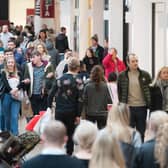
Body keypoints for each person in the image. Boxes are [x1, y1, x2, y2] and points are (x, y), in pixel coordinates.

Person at [47, 57, 84, 155]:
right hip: (72, 112)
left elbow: (51, 94)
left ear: (67, 66)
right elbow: (80, 99)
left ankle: (57, 152)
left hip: (59, 111)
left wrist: (49, 107)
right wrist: (78, 115)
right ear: (78, 68)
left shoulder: (59, 79)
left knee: (58, 134)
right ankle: (69, 154)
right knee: (70, 134)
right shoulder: (79, 81)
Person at [118, 53, 152, 140]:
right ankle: (131, 151)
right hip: (129, 108)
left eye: (136, 61)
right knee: (129, 133)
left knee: (141, 132)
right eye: (133, 61)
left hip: (142, 107)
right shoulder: (122, 76)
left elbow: (150, 90)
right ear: (128, 63)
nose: (135, 63)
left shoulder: (145, 75)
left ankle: (140, 151)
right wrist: (122, 106)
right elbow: (120, 92)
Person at [23, 50, 55, 115]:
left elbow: (53, 80)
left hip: (44, 94)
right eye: (31, 58)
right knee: (36, 115)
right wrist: (27, 80)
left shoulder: (48, 66)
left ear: (39, 56)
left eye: (33, 57)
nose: (32, 59)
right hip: (33, 94)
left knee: (43, 115)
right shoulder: (29, 66)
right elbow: (26, 77)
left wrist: (49, 77)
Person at [1, 56, 24, 135]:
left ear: (14, 63)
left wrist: (16, 89)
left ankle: (15, 134)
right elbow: (5, 83)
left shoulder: (19, 73)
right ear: (6, 64)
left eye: (12, 62)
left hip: (16, 97)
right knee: (7, 117)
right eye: (9, 62)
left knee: (14, 116)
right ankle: (8, 133)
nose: (10, 64)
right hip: (7, 96)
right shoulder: (3, 72)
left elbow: (22, 83)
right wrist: (11, 91)